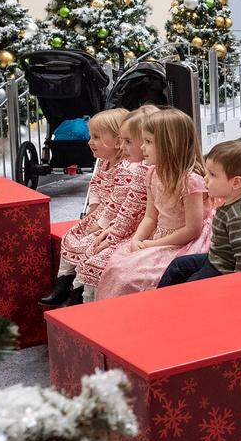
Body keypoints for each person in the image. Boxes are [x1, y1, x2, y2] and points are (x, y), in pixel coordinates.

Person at [103, 108, 215, 297]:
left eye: (148, 142)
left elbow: (192, 229)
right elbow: (150, 217)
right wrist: (137, 240)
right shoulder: (152, 173)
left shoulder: (191, 181)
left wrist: (152, 245)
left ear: (169, 144)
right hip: (159, 237)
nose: (142, 148)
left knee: (136, 277)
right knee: (117, 267)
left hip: (185, 242)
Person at [40, 108, 128, 306]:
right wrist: (93, 209)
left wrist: (100, 223)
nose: (90, 142)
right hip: (100, 212)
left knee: (89, 242)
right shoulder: (103, 162)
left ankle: (78, 289)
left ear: (117, 140)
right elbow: (95, 186)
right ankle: (62, 281)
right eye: (91, 137)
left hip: (115, 217)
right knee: (72, 235)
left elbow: (118, 201)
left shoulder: (124, 167)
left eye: (96, 137)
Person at [71, 106, 157, 302]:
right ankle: (74, 289)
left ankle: (87, 300)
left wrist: (110, 232)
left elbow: (129, 209)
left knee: (99, 255)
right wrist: (96, 216)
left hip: (133, 229)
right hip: (123, 224)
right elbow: (103, 192)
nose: (122, 146)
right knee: (80, 241)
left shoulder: (137, 171)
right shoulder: (134, 168)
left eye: (127, 141)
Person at [158, 140, 241, 285]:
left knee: (191, 287)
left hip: (227, 269)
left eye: (212, 174)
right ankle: (161, 302)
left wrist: (237, 289)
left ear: (236, 183)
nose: (205, 178)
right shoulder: (232, 198)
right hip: (219, 257)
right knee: (178, 265)